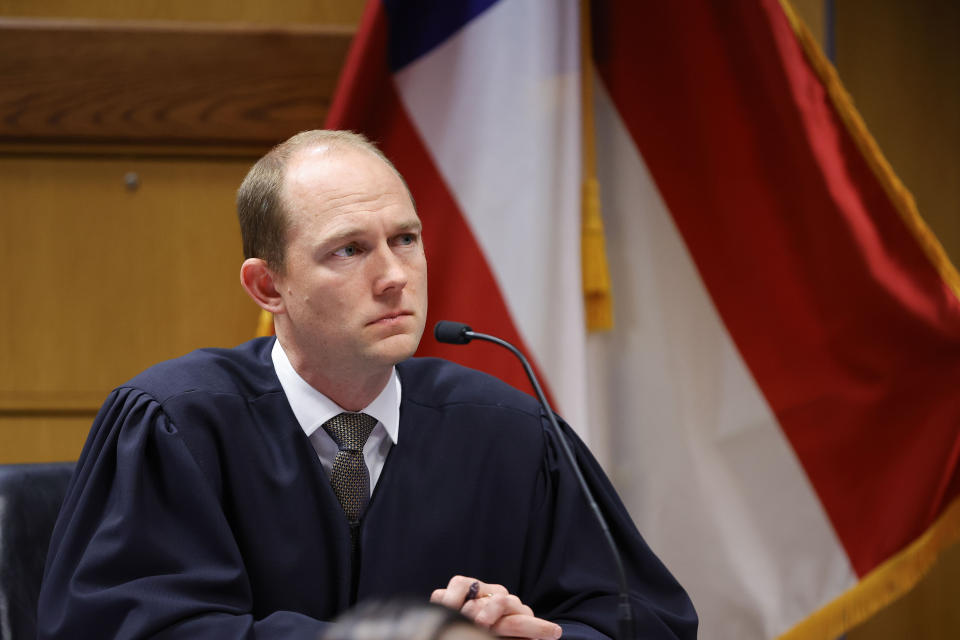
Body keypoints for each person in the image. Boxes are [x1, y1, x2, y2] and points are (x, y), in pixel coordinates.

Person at [38, 130, 697, 639]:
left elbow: (645, 621)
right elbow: (134, 630)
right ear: (269, 286)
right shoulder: (175, 425)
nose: (393, 276)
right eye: (348, 250)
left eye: (405, 239)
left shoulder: (510, 434)